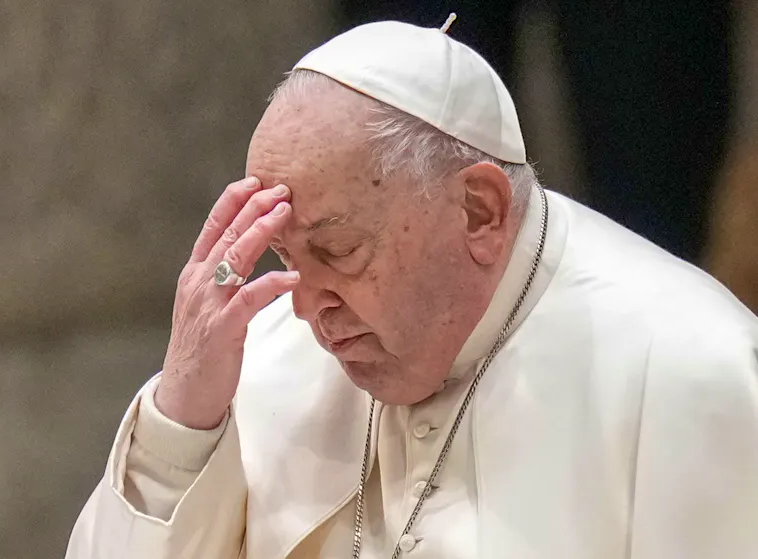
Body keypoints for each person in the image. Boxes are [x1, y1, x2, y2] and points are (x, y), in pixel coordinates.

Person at [65, 20, 758, 559]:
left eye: (338, 250)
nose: (306, 306)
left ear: (480, 210)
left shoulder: (690, 369)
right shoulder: (267, 356)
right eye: (285, 254)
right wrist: (181, 415)